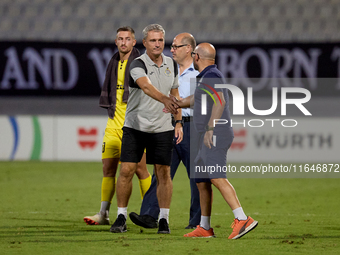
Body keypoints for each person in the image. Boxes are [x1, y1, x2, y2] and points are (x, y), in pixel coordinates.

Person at [174, 43, 258, 239]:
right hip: (207, 135)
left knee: (216, 176)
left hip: (215, 133)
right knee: (202, 180)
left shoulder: (211, 75)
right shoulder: (207, 76)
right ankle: (204, 227)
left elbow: (219, 100)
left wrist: (210, 128)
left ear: (197, 57)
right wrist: (177, 103)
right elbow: (196, 99)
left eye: (193, 54)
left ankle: (242, 218)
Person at [109, 24, 183, 234]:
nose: (157, 44)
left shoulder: (172, 64)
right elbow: (146, 86)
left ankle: (163, 219)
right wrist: (166, 100)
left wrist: (178, 121)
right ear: (145, 43)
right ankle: (121, 216)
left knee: (163, 173)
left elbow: (175, 95)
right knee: (126, 170)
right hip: (136, 126)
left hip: (162, 127)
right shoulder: (137, 64)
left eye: (160, 40)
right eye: (153, 40)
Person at [128, 33, 201, 230]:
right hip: (168, 126)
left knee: (197, 176)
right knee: (161, 172)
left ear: (188, 49)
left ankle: (197, 222)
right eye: (172, 46)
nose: (172, 49)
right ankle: (149, 215)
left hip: (193, 126)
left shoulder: (199, 74)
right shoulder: (167, 68)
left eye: (176, 46)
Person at [83, 26, 151, 226]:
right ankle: (103, 214)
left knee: (140, 169)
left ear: (133, 41)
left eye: (127, 39)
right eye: (120, 39)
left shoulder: (141, 63)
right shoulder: (113, 62)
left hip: (134, 126)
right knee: (108, 168)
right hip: (113, 123)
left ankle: (150, 213)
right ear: (116, 42)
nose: (123, 42)